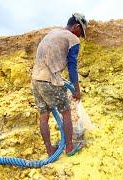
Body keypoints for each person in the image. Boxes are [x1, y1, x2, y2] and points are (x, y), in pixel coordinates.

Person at [31, 13, 87, 157]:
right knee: (66, 111)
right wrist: (76, 90)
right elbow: (72, 66)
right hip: (49, 81)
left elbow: (50, 61)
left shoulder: (53, 33)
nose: (80, 36)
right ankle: (69, 147)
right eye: (81, 32)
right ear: (77, 27)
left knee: (44, 116)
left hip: (36, 80)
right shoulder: (72, 38)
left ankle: (50, 150)